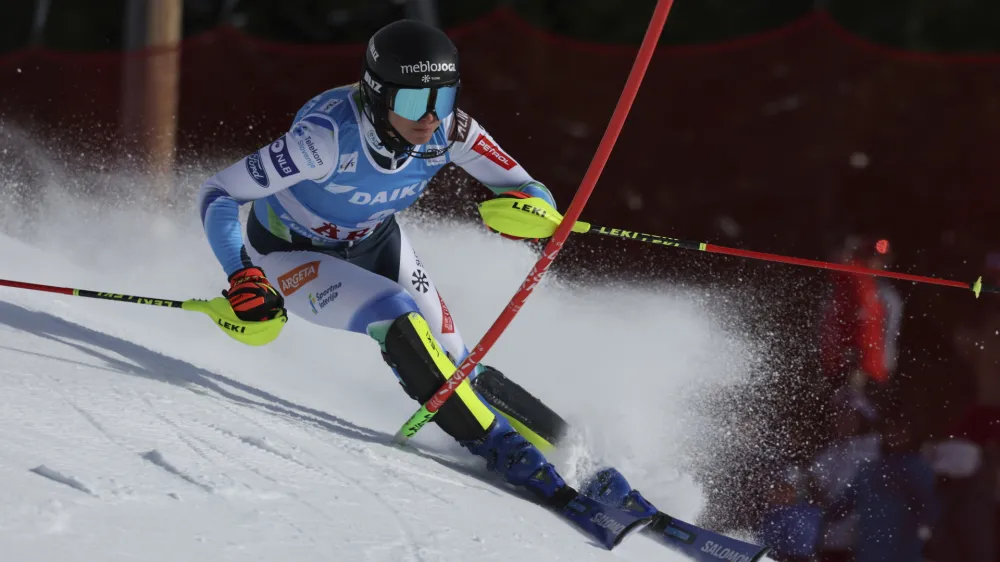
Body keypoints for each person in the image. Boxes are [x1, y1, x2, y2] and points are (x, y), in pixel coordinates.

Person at [196, 19, 655, 517]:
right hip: (294, 255)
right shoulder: (324, 139)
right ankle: (506, 453)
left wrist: (531, 211)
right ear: (376, 95)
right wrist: (241, 272)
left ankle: (581, 457)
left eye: (444, 98)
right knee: (394, 313)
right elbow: (219, 192)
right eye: (416, 102)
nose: (431, 118)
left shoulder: (451, 131)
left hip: (377, 242)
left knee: (459, 363)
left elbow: (525, 186)